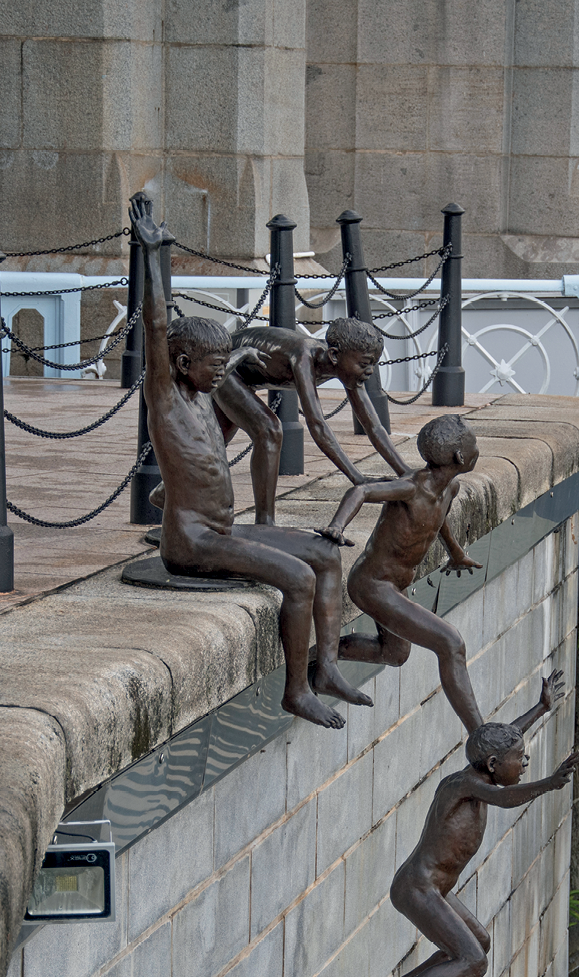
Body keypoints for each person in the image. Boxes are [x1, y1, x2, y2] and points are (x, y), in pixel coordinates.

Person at [129, 192, 371, 729]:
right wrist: (148, 258)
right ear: (183, 363)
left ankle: (327, 666)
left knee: (326, 555)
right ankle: (294, 690)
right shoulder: (166, 396)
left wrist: (235, 358)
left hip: (223, 532)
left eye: (225, 367)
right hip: (192, 544)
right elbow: (153, 327)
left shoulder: (201, 394)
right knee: (298, 577)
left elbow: (225, 371)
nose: (221, 378)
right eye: (212, 367)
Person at [362, 678, 578, 977]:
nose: (525, 761)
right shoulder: (467, 785)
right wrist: (549, 783)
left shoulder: (485, 767)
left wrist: (540, 709)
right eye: (520, 759)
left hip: (436, 889)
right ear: (493, 765)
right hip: (418, 889)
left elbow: (505, 740)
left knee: (479, 943)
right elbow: (507, 796)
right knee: (474, 962)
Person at [316, 414, 490, 732]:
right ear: (460, 457)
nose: (478, 450)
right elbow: (362, 491)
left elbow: (440, 521)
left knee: (395, 653)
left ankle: (315, 660)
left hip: (395, 585)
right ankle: (478, 732)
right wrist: (337, 526)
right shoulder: (411, 488)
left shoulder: (450, 487)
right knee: (450, 642)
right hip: (372, 584)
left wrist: (456, 553)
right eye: (474, 445)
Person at [154, 319, 408, 526]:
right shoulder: (304, 356)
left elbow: (373, 426)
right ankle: (265, 521)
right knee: (269, 430)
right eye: (365, 364)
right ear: (333, 355)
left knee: (217, 441)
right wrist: (358, 478)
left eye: (374, 363)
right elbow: (317, 425)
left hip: (247, 377)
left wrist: (405, 472)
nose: (371, 371)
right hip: (231, 367)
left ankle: (164, 493)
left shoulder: (346, 368)